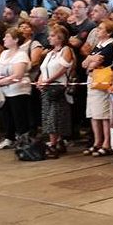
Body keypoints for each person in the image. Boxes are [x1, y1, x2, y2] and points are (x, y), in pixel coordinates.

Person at [0, 28, 32, 150]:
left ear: (16, 40)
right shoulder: (4, 54)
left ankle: (23, 139)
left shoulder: (21, 55)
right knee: (6, 115)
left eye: (7, 37)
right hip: (4, 90)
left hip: (18, 90)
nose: (4, 39)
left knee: (19, 115)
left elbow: (17, 75)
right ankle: (9, 138)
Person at [82, 19, 113, 157]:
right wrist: (92, 60)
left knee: (103, 114)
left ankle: (106, 143)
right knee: (93, 113)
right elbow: (85, 64)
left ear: (109, 32)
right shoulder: (98, 45)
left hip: (101, 81)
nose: (98, 30)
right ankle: (97, 141)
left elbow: (98, 61)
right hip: (92, 81)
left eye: (101, 29)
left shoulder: (110, 46)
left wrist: (92, 60)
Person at [37, 24, 74, 157]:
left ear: (60, 37)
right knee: (47, 115)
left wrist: (49, 80)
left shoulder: (66, 50)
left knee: (55, 116)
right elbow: (43, 69)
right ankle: (57, 141)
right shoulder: (50, 53)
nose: (49, 38)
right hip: (47, 87)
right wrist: (41, 80)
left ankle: (54, 143)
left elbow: (63, 68)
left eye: (52, 35)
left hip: (57, 87)